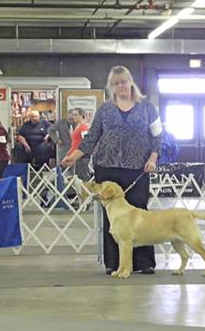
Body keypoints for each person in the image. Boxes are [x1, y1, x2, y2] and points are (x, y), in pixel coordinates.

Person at [62, 65, 161, 275]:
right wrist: (74, 156)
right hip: (107, 169)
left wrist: (153, 158)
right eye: (115, 83)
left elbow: (158, 136)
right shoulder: (105, 109)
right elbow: (92, 137)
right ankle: (114, 263)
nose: (120, 86)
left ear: (130, 81)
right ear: (111, 87)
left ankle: (143, 262)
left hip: (137, 169)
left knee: (140, 215)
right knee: (113, 218)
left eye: (123, 81)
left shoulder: (148, 108)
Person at [65, 108, 92, 181]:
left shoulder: (83, 127)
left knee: (82, 178)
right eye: (73, 114)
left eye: (76, 114)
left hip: (82, 156)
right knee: (77, 177)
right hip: (76, 156)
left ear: (81, 115)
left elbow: (86, 141)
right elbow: (74, 143)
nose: (73, 116)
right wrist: (69, 153)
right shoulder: (77, 127)